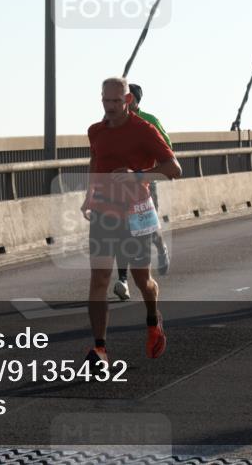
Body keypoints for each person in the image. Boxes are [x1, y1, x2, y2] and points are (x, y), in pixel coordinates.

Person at [81, 77, 182, 365]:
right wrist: (90, 194)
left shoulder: (144, 130)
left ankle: (153, 319)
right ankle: (99, 349)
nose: (109, 106)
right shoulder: (95, 131)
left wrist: (137, 175)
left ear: (127, 100)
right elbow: (94, 161)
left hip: (136, 213)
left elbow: (174, 169)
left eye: (115, 101)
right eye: (105, 100)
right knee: (99, 279)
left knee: (142, 280)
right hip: (104, 213)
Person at [113, 83, 172, 301]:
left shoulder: (150, 121)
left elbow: (168, 149)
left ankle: (160, 246)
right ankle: (123, 281)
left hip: (145, 182)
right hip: (119, 186)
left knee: (146, 230)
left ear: (134, 100)